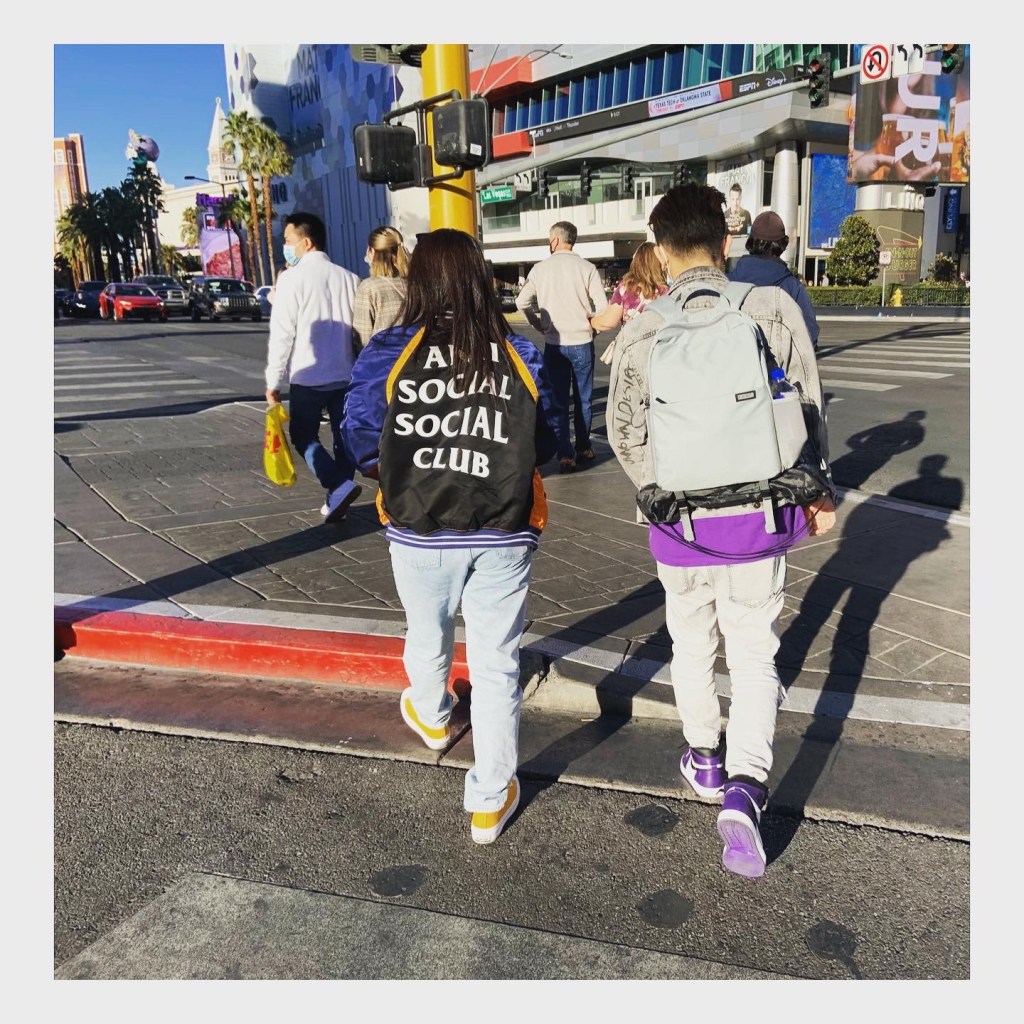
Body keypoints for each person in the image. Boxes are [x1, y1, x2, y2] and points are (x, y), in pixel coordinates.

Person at [606, 182, 837, 879]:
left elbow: (624, 431)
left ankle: (704, 757)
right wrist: (816, 489)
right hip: (759, 518)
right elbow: (808, 406)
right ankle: (745, 787)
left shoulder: (643, 327)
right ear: (725, 241)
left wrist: (664, 488)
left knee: (691, 641)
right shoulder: (770, 308)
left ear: (659, 251)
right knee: (755, 654)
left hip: (679, 526)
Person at [343, 228, 559, 845]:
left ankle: (434, 715)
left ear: (420, 283)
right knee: (496, 663)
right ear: (478, 279)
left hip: (416, 526)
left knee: (426, 628)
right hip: (504, 527)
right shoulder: (519, 351)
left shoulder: (389, 349)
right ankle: (490, 799)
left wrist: (400, 470)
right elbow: (544, 442)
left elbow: (359, 438)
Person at [264, 211, 363, 523]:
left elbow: (283, 333)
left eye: (288, 240)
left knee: (303, 434)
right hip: (345, 373)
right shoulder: (350, 278)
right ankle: (339, 494)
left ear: (306, 242)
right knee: (343, 438)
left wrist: (273, 380)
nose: (285, 246)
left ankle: (337, 485)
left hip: (309, 375)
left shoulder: (291, 279)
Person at [515, 220, 608, 473]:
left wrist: (538, 324)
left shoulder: (540, 269)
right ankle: (584, 448)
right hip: (582, 342)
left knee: (558, 401)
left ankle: (565, 453)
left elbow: (521, 302)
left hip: (554, 343)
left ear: (555, 240)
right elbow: (602, 308)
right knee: (583, 399)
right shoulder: (587, 268)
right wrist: (593, 327)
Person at [729, 211, 821, 349]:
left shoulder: (727, 282)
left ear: (751, 241)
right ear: (782, 245)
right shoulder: (793, 288)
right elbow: (809, 336)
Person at [591, 241, 668, 366]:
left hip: (632, 353)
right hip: (660, 353)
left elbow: (609, 322)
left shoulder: (626, 288)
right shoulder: (667, 291)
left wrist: (591, 321)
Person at [352, 226, 410, 349]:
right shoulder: (413, 283)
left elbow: (362, 339)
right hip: (411, 355)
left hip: (383, 356)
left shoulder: (368, 287)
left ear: (372, 251)